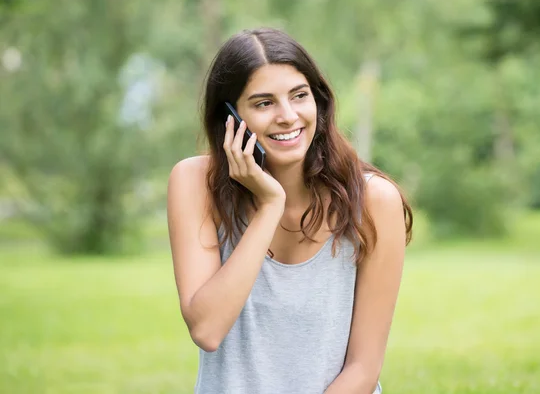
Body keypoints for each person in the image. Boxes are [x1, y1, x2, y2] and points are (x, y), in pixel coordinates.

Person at [167, 27, 413, 394]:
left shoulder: (375, 201)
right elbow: (207, 329)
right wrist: (270, 205)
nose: (288, 116)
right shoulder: (194, 182)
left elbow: (363, 369)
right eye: (264, 103)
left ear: (319, 101)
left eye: (299, 96)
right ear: (231, 116)